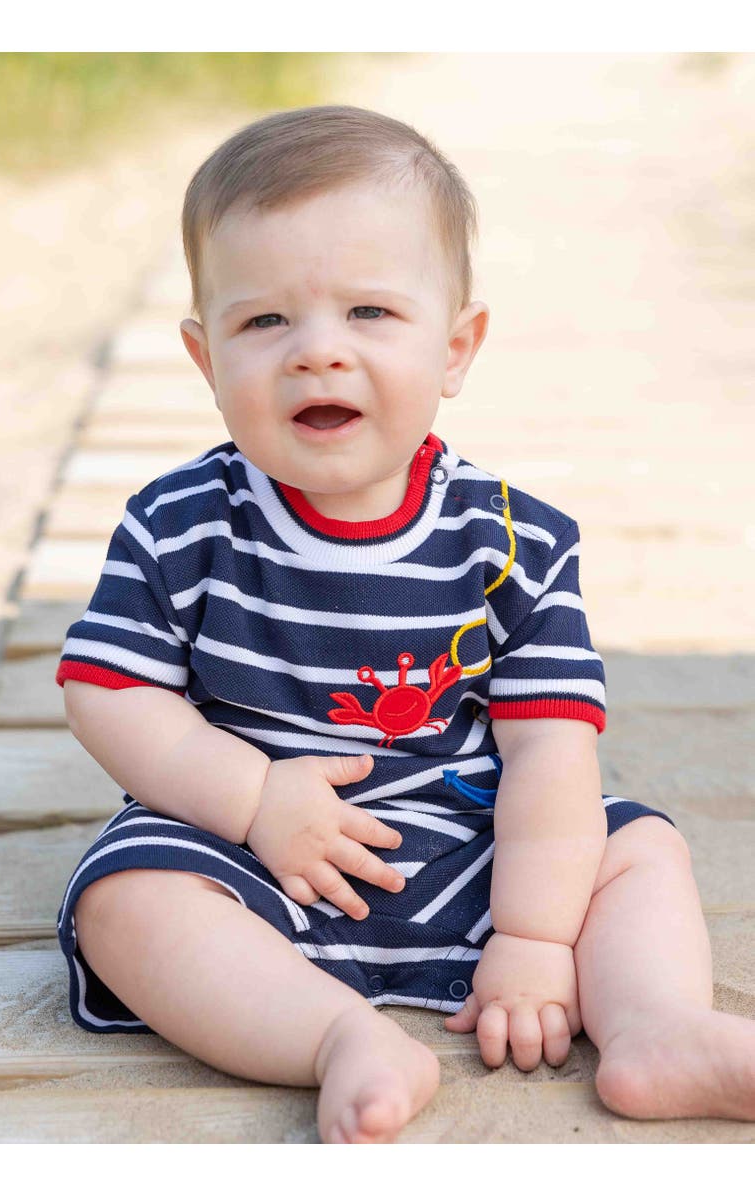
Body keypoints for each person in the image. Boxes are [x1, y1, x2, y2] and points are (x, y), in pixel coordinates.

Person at [55, 105, 755, 1144]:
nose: (318, 354)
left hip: (478, 844)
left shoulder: (513, 541)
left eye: (370, 313)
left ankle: (654, 1024)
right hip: (254, 857)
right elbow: (106, 689)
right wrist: (248, 796)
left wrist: (532, 932)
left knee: (636, 846)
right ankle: (335, 1035)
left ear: (456, 345)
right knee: (124, 897)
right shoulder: (180, 524)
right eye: (265, 323)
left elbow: (551, 750)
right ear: (206, 362)